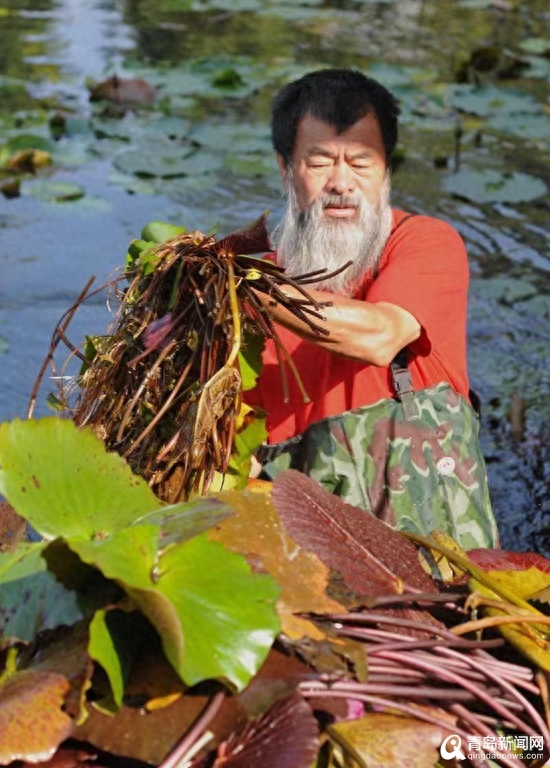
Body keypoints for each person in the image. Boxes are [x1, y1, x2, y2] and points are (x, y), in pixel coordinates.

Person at [247, 68, 499, 550]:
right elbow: (235, 459)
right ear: (285, 169)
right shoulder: (244, 297)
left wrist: (250, 287)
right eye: (319, 162)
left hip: (441, 555)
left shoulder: (424, 241)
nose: (341, 183)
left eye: (361, 162)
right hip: (307, 557)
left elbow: (381, 336)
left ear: (387, 172)